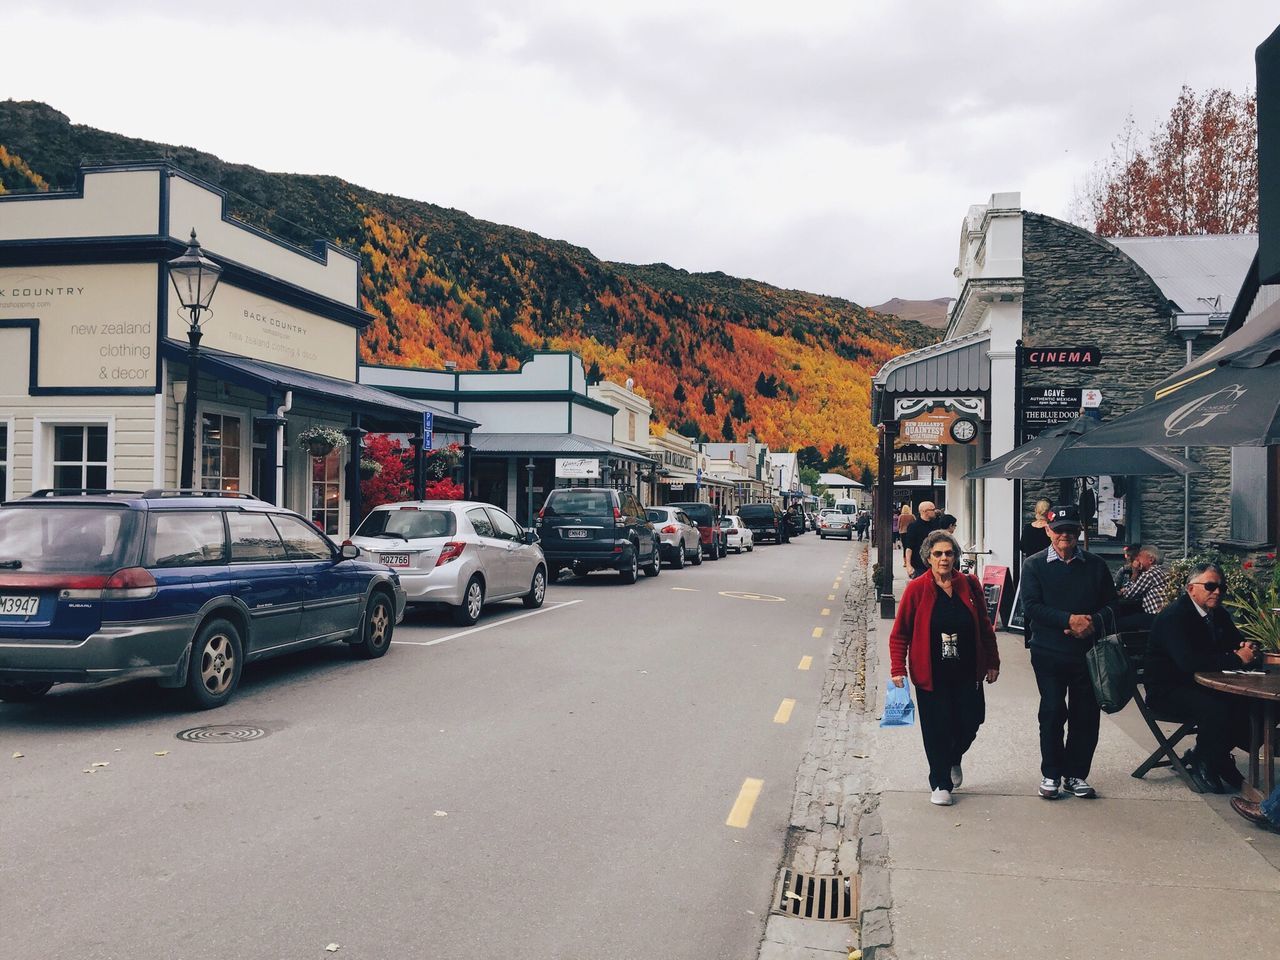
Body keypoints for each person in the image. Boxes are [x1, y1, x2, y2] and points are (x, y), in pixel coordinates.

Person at [889, 529, 1000, 806]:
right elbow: (900, 632)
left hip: (966, 670)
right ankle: (939, 781)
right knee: (937, 728)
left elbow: (985, 626)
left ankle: (954, 758)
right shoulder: (917, 588)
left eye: (949, 553)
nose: (944, 559)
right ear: (928, 557)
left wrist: (992, 661)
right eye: (938, 554)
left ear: (955, 557)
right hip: (931, 672)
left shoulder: (969, 584)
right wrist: (897, 668)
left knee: (971, 722)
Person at [1019, 504, 1119, 800]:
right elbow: (1031, 606)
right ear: (1048, 531)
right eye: (1059, 530)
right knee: (1052, 711)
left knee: (1085, 714)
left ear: (1080, 532)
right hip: (1048, 651)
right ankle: (1051, 772)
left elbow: (1112, 605)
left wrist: (1092, 622)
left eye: (1072, 530)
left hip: (1087, 652)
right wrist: (1067, 620)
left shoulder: (1095, 565)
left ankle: (1075, 774)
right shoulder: (1034, 565)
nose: (1066, 535)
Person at [1145, 562, 1257, 793]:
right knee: (1217, 707)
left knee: (1254, 704)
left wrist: (1246, 647)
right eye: (1210, 585)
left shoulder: (1218, 614)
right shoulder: (1174, 617)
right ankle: (1206, 759)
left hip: (1201, 685)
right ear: (1190, 588)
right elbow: (1188, 663)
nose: (1216, 591)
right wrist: (1236, 659)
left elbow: (1235, 643)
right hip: (1168, 689)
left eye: (1221, 587)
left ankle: (1213, 754)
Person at [1116, 544, 1170, 630]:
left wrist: (1135, 572)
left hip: (1155, 616)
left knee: (1121, 623)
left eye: (1140, 557)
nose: (1137, 560)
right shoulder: (1158, 571)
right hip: (1162, 615)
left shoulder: (1149, 574)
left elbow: (1129, 595)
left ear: (1151, 560)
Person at [902, 501, 940, 579]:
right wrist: (908, 565)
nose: (935, 511)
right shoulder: (913, 527)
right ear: (925, 511)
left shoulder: (936, 524)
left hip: (935, 563)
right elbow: (909, 547)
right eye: (932, 510)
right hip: (918, 565)